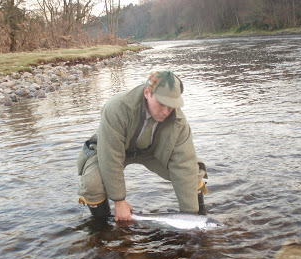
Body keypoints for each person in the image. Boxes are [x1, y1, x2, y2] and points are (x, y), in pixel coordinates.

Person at [77, 71, 208, 222]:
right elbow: (110, 157)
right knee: (92, 183)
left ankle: (199, 215)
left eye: (171, 106)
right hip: (111, 149)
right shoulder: (117, 108)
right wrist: (119, 201)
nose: (166, 112)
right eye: (161, 103)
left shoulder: (178, 122)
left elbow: (184, 165)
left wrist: (191, 220)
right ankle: (103, 229)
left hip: (153, 152)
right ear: (147, 92)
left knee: (193, 172)